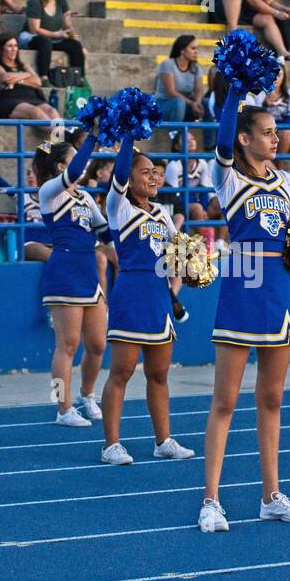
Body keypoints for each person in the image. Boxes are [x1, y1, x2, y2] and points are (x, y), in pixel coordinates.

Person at [198, 79, 290, 533]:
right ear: (244, 137)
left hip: (281, 291)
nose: (276, 137)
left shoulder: (286, 181)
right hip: (242, 285)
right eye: (268, 131)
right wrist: (234, 87)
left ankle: (270, 495)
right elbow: (219, 139)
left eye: (277, 131)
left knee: (271, 398)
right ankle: (211, 500)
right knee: (225, 401)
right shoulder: (227, 177)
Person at [98, 133, 195, 465]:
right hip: (130, 294)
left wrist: (191, 261)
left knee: (159, 373)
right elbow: (120, 172)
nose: (153, 177)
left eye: (156, 171)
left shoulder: (164, 214)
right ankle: (112, 444)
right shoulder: (119, 207)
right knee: (122, 371)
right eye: (145, 172)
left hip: (158, 297)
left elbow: (173, 259)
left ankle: (163, 440)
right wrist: (128, 136)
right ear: (128, 179)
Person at [36, 134, 108, 428]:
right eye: (75, 157)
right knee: (67, 344)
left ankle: (86, 395)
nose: (84, 161)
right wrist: (93, 136)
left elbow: (105, 234)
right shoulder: (49, 192)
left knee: (98, 344)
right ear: (60, 166)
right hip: (63, 270)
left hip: (88, 270)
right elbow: (77, 171)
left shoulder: (86, 197)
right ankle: (62, 407)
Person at [23, 0, 86, 84]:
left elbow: (68, 26)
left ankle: (80, 77)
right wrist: (56, 34)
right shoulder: (35, 2)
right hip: (32, 37)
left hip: (56, 36)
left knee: (75, 46)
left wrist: (78, 42)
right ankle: (44, 76)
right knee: (45, 42)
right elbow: (35, 30)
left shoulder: (61, 0)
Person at [244, 64, 290, 171]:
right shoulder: (260, 93)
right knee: (286, 133)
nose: (275, 78)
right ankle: (279, 169)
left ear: (284, 77)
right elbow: (258, 118)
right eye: (272, 75)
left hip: (284, 127)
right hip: (265, 128)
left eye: (279, 75)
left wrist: (281, 128)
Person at [0, 31, 58, 122]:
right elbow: (6, 78)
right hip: (9, 101)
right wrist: (27, 74)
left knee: (51, 110)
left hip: (32, 98)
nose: (14, 49)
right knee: (34, 111)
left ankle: (62, 134)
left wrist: (18, 81)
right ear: (1, 49)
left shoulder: (23, 65)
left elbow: (37, 82)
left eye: (16, 46)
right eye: (10, 46)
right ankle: (63, 134)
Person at [155, 34, 204, 123]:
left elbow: (199, 90)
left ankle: (212, 136)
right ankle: (175, 135)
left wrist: (198, 102)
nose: (196, 52)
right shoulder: (167, 65)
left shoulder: (196, 67)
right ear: (182, 50)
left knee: (206, 103)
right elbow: (171, 92)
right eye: (193, 48)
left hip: (187, 104)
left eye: (197, 48)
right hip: (164, 105)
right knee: (179, 103)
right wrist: (191, 103)